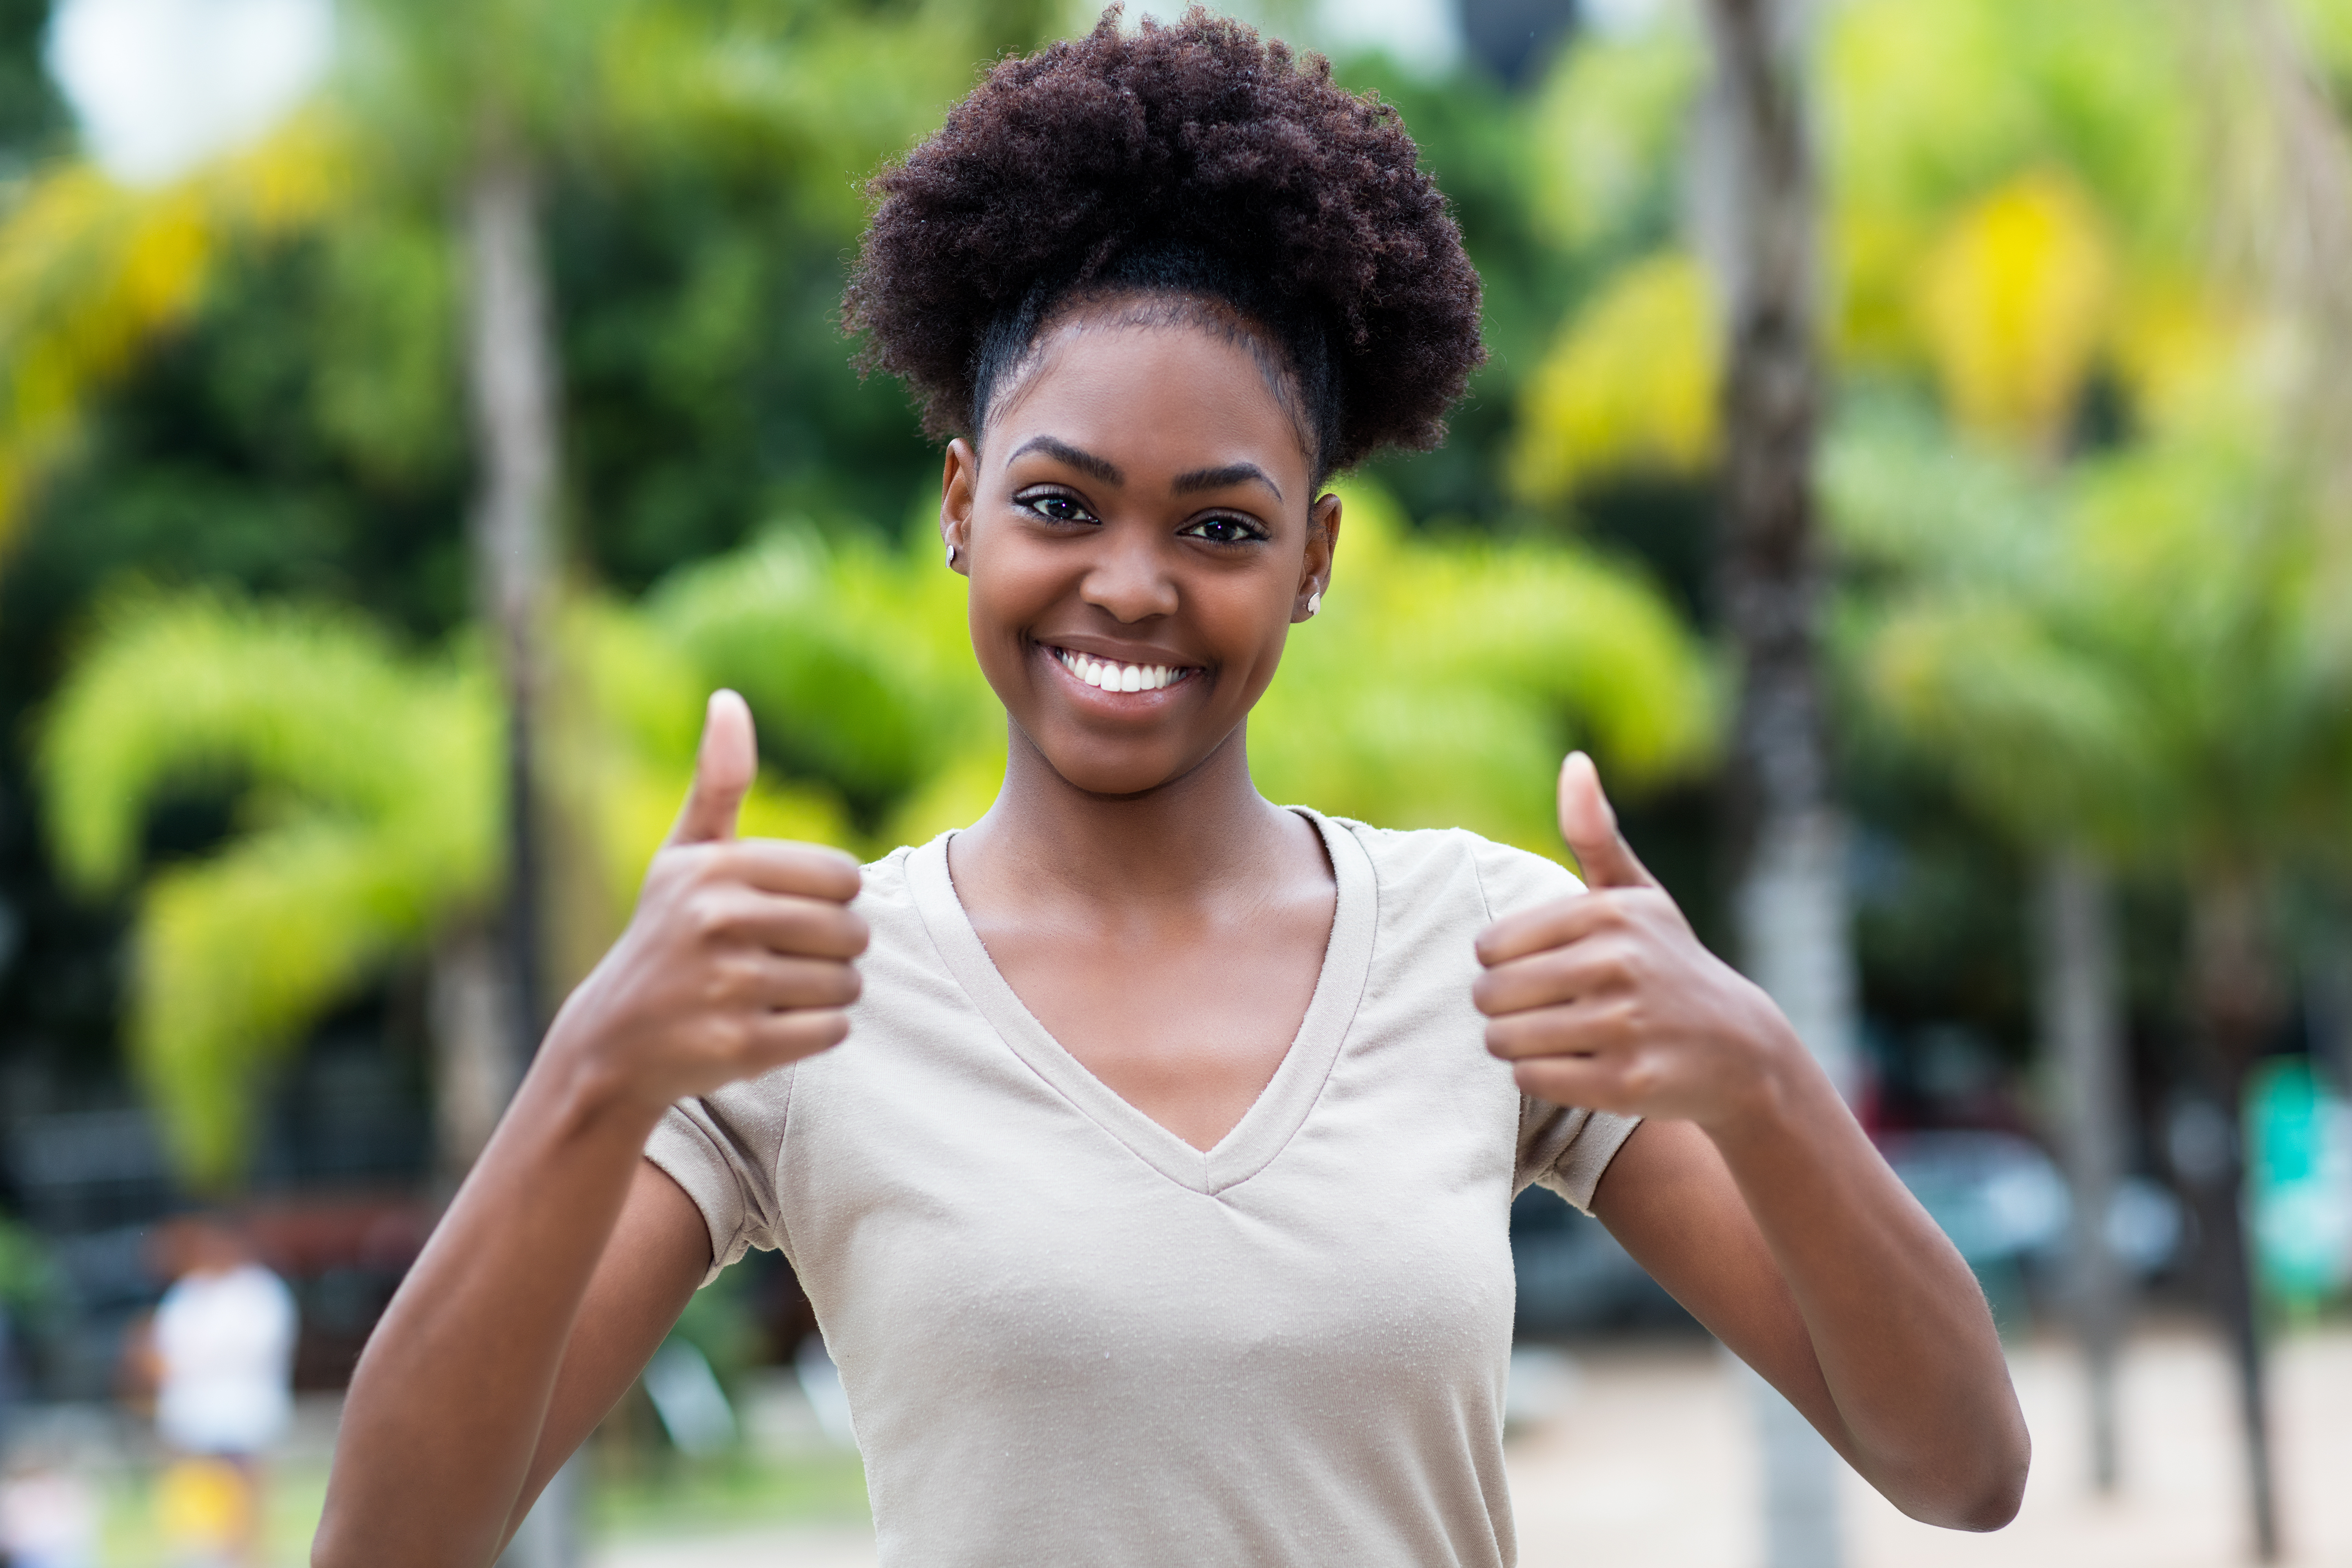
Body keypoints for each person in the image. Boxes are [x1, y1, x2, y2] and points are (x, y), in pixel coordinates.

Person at [317, 12, 2029, 1565]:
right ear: (961, 503)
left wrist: (1758, 1074)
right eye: (1062, 505)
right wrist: (598, 1062)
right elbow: (388, 1547)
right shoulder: (806, 1001)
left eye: (1219, 526)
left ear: (1314, 557)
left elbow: (1962, 1467)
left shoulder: (1493, 951)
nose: (1131, 587)